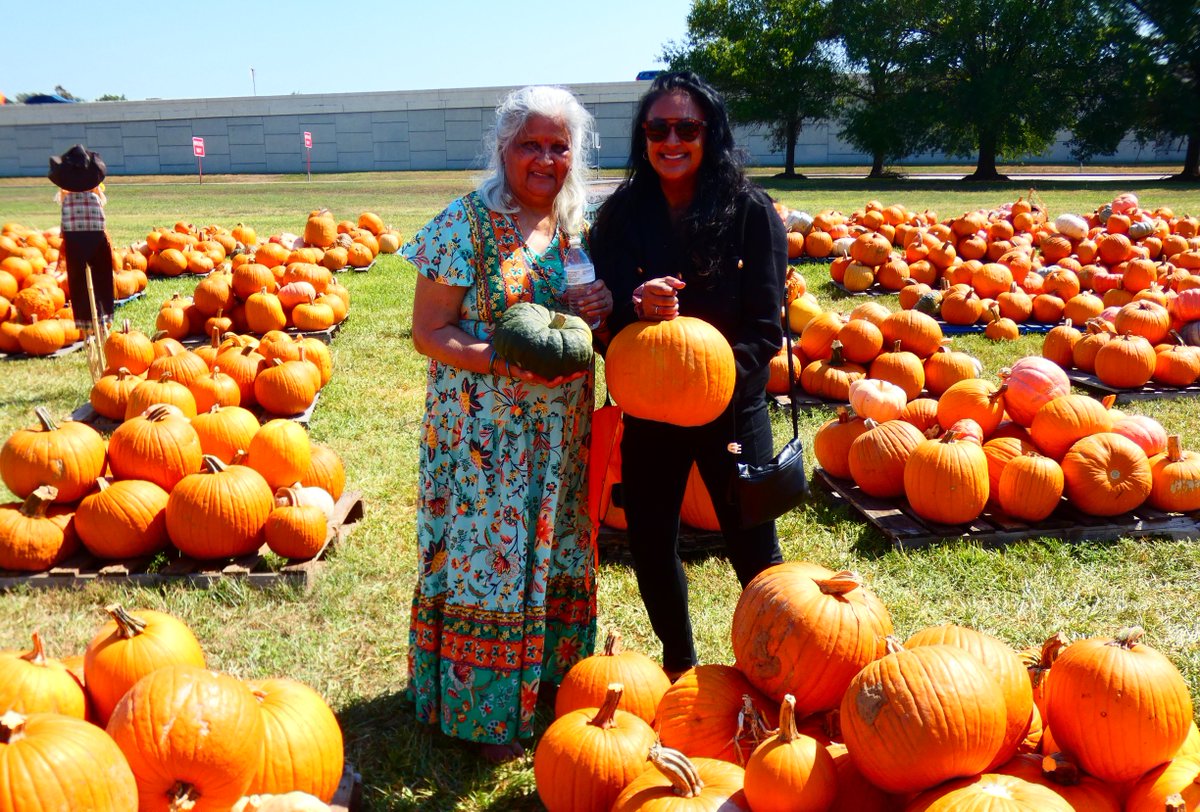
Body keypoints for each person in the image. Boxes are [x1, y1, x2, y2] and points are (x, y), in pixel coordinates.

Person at [401, 85, 613, 764]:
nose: (546, 159)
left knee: (555, 550)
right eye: (531, 144)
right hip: (484, 440)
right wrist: (497, 359)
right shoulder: (464, 224)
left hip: (563, 436)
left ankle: (548, 688)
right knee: (488, 563)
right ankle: (482, 710)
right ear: (503, 148)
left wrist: (601, 305)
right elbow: (428, 330)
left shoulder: (575, 225)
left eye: (559, 145)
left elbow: (578, 330)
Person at [590, 71, 787, 680]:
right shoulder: (621, 216)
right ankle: (681, 667)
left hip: (730, 407)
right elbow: (606, 314)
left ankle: (781, 668)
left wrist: (717, 379)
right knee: (651, 542)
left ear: (711, 135)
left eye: (687, 128)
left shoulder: (750, 214)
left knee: (754, 548)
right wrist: (630, 304)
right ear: (643, 137)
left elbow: (764, 326)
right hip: (649, 408)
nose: (671, 140)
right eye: (658, 128)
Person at [48, 145, 114, 336]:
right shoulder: (95, 198)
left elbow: (64, 229)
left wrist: (65, 243)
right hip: (96, 241)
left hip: (75, 242)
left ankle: (85, 321)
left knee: (78, 282)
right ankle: (103, 316)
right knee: (102, 278)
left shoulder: (67, 201)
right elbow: (102, 224)